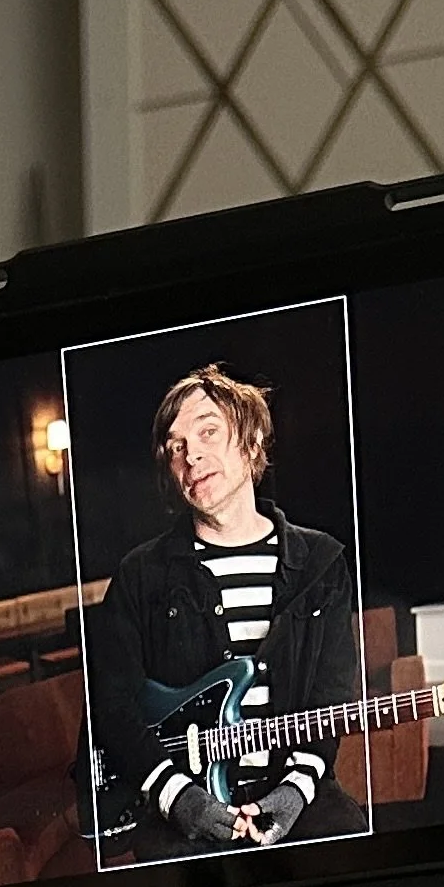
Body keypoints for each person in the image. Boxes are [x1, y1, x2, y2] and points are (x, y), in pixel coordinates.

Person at [83, 359, 363, 860]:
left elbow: (332, 699)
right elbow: (112, 704)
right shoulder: (140, 574)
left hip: (293, 791)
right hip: (175, 799)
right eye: (176, 447)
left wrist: (294, 791)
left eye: (208, 432)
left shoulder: (321, 564)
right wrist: (177, 797)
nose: (191, 455)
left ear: (253, 441)